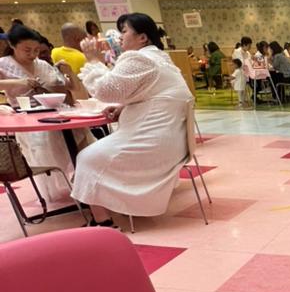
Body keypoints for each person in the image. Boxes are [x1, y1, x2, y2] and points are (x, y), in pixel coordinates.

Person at [71, 12, 193, 225]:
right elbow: (152, 93)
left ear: (143, 38)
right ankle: (114, 205)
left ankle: (102, 221)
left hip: (153, 143)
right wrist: (124, 106)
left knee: (86, 158)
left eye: (124, 31)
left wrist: (92, 60)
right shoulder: (159, 58)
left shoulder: (139, 58)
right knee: (93, 155)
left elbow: (105, 90)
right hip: (174, 142)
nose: (119, 37)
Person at [0, 23, 85, 199]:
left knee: (81, 132)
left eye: (36, 50)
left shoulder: (42, 65)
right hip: (25, 117)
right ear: (13, 46)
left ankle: (82, 178)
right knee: (47, 138)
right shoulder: (4, 64)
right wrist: (19, 82)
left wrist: (68, 74)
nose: (33, 55)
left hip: (51, 113)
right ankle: (69, 182)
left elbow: (65, 86)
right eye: (27, 50)